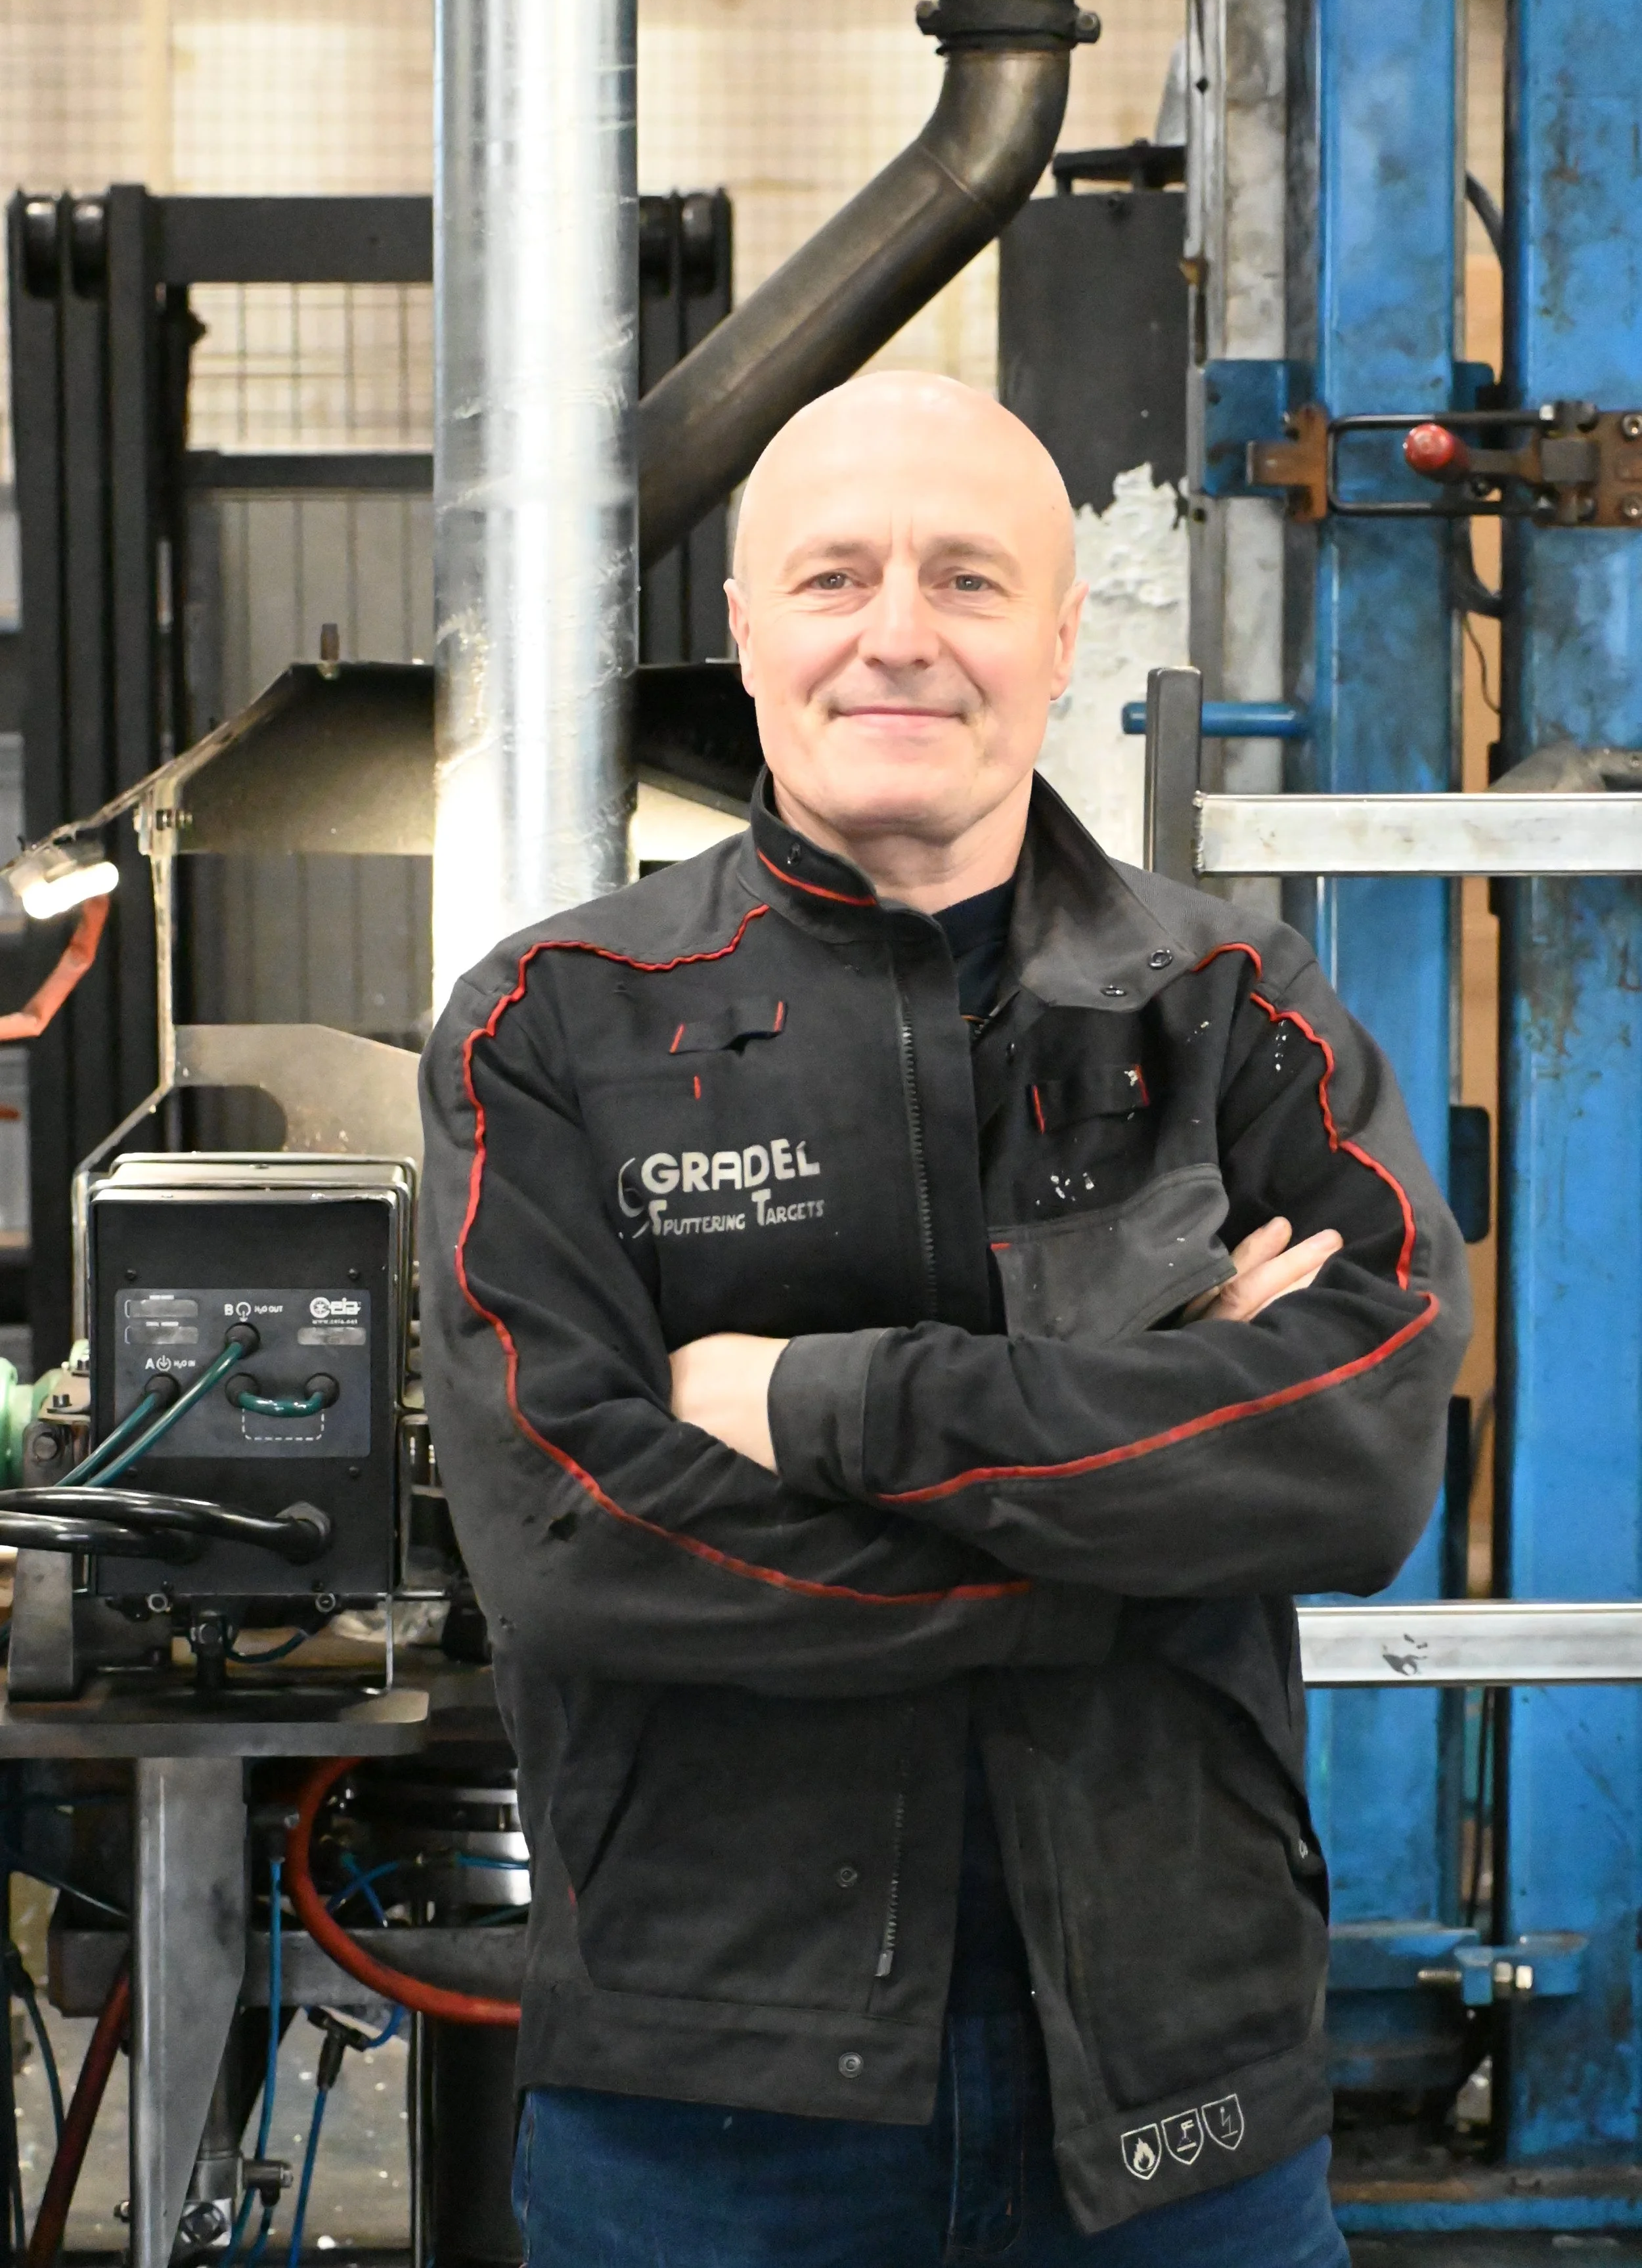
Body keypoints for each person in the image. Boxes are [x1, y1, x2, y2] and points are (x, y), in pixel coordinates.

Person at [420, 371, 1469, 2267]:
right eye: (836, 576)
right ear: (744, 630)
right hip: (708, 2096)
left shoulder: (1229, 1005)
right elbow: (581, 1547)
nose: (898, 631)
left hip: (1179, 2081)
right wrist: (1126, 1535)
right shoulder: (551, 1028)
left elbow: (1359, 1449)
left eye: (969, 580)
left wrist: (819, 1401)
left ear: (1062, 636)